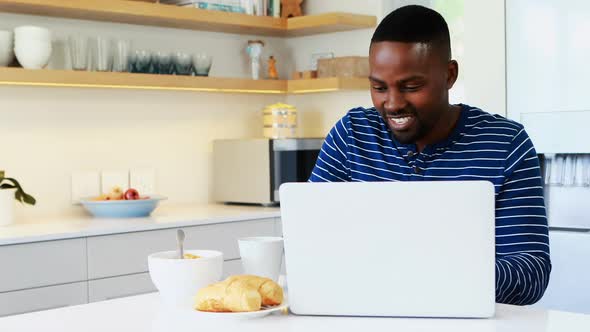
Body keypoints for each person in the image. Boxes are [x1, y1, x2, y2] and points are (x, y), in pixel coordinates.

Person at [309, 5, 551, 306]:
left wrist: (431, 274)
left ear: (449, 75)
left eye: (411, 86)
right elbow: (310, 242)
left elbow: (531, 273)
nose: (393, 104)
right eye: (378, 87)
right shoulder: (351, 135)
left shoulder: (506, 145)